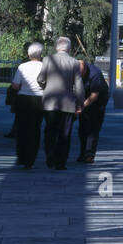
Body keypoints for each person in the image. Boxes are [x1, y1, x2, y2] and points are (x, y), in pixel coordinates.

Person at [37, 37, 85, 170]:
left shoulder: (47, 59)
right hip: (67, 103)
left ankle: (50, 157)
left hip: (50, 103)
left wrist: (46, 87)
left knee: (50, 130)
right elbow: (79, 85)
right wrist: (81, 102)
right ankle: (61, 162)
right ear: (68, 48)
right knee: (65, 133)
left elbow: (40, 79)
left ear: (57, 47)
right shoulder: (74, 62)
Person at [9, 42, 45, 170]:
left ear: (28, 54)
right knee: (35, 130)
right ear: (41, 54)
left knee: (22, 129)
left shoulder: (22, 67)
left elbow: (15, 85)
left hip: (23, 99)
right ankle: (30, 159)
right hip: (39, 100)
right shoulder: (45, 66)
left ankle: (21, 156)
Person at [77, 58, 110, 163]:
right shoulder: (74, 71)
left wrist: (82, 106)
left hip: (98, 102)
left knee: (93, 129)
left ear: (86, 70)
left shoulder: (95, 74)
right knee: (82, 129)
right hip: (84, 99)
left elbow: (94, 95)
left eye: (81, 75)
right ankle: (83, 153)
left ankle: (89, 155)